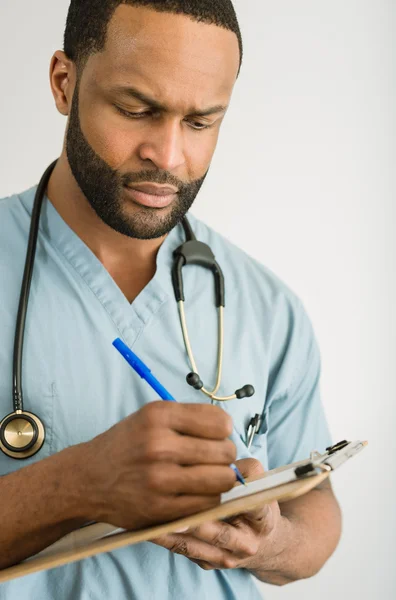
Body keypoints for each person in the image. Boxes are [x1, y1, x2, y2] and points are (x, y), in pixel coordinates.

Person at [0, 1, 342, 598]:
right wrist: (78, 484)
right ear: (64, 82)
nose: (169, 155)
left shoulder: (267, 306)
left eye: (202, 122)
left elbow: (315, 503)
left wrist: (273, 543)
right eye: (136, 110)